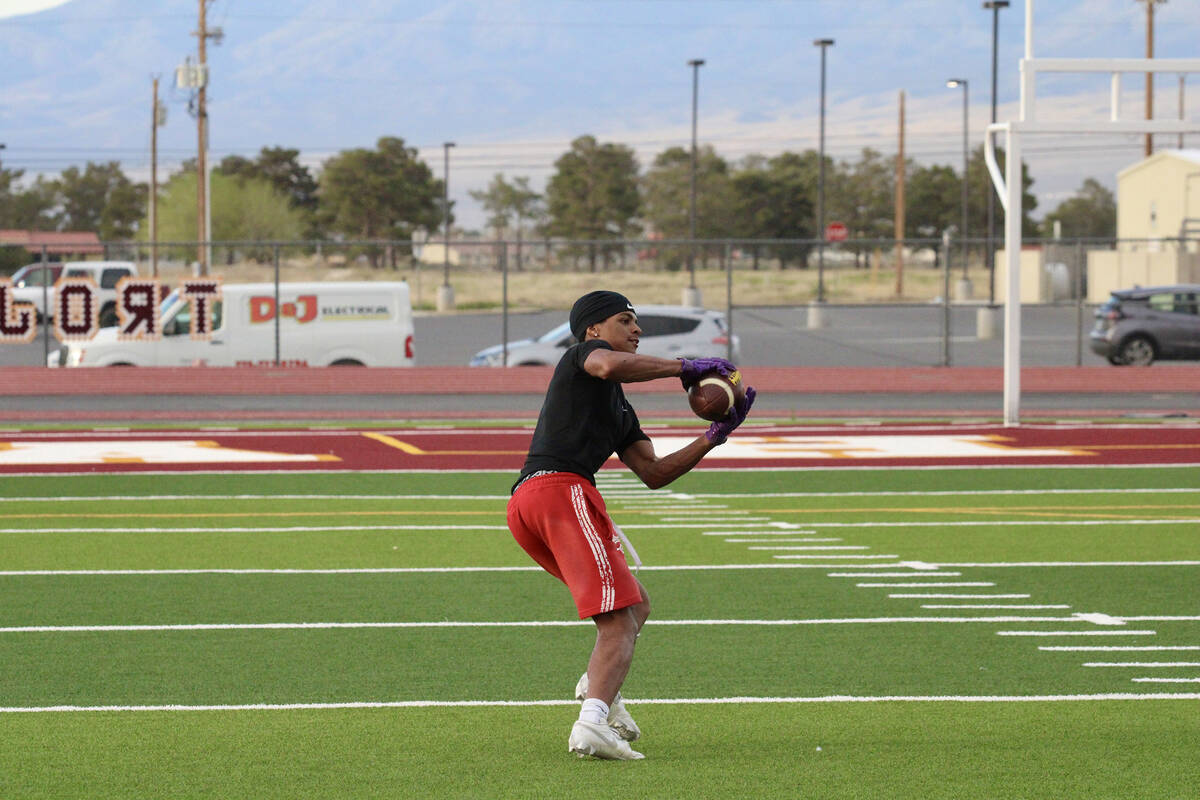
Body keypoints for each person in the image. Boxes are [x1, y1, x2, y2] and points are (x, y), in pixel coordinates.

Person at [505, 290, 756, 760]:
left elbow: (654, 473)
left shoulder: (618, 406)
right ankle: (592, 724)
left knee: (634, 606)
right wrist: (687, 366)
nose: (637, 330)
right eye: (626, 321)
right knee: (618, 619)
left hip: (535, 501)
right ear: (594, 330)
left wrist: (714, 437)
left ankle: (599, 686)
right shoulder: (584, 357)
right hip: (558, 491)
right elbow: (608, 366)